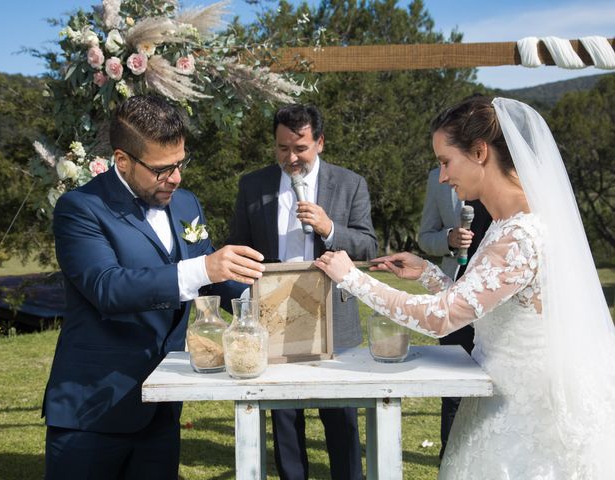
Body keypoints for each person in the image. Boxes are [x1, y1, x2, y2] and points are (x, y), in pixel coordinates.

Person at [315, 96, 615, 478]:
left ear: (479, 152)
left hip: (527, 416)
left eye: (445, 162)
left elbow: (441, 319)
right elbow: (485, 301)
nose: (441, 176)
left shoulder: (521, 234)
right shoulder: (506, 223)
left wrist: (352, 277)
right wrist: (426, 272)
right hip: (497, 392)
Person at [42, 95, 265, 480]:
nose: (176, 178)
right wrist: (202, 267)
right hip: (94, 405)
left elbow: (213, 274)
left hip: (163, 403)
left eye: (180, 163)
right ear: (123, 160)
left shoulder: (186, 204)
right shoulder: (80, 208)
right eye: (162, 169)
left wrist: (263, 302)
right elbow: (106, 288)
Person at [228, 103, 377, 480]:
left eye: (300, 148)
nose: (291, 158)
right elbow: (238, 246)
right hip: (273, 320)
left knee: (341, 421)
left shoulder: (350, 183)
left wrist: (330, 229)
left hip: (334, 320)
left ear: (320, 143)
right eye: (282, 149)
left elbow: (367, 248)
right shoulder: (253, 185)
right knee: (285, 423)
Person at [417, 166, 492, 458]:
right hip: (455, 296)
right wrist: (448, 239)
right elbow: (425, 236)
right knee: (455, 391)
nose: (444, 171)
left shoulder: (510, 177)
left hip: (501, 301)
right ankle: (450, 462)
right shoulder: (438, 178)